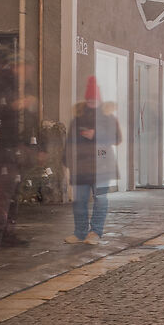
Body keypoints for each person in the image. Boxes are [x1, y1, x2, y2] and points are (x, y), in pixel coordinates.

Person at [64, 75, 120, 242]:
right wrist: (66, 161)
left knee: (100, 199)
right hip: (81, 166)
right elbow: (69, 141)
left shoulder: (108, 118)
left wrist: (96, 135)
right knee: (79, 200)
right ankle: (80, 232)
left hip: (102, 166)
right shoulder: (77, 119)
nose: (91, 105)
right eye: (89, 101)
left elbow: (117, 138)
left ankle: (95, 232)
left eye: (94, 101)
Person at [0, 61, 28, 249]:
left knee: (10, 195)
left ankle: (7, 234)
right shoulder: (4, 98)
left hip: (6, 154)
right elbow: (2, 126)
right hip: (4, 154)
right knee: (4, 195)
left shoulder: (3, 96)